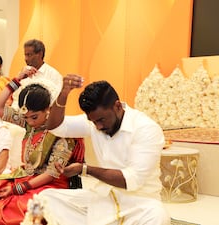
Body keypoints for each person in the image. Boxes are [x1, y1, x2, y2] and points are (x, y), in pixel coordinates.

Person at [37, 78, 171, 224]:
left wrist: (85, 169)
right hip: (103, 199)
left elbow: (133, 180)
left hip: (138, 205)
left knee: (158, 217)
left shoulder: (145, 129)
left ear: (118, 106)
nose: (98, 127)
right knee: (46, 198)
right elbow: (55, 127)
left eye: (101, 120)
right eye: (93, 122)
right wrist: (63, 94)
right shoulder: (94, 122)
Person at [0, 72, 84, 225]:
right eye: (26, 117)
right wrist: (17, 80)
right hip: (25, 177)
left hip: (49, 186)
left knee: (32, 210)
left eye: (34, 117)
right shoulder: (29, 123)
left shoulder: (62, 133)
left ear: (48, 109)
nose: (29, 122)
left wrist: (17, 189)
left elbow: (52, 174)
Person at [11, 39, 63, 108]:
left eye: (29, 55)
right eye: (25, 55)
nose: (26, 59)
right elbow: (15, 99)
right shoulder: (22, 74)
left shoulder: (54, 75)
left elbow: (57, 102)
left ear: (40, 54)